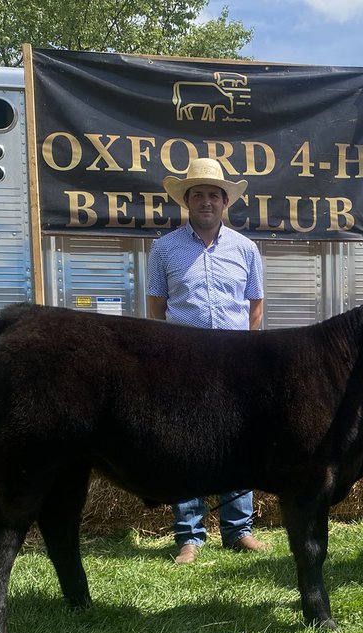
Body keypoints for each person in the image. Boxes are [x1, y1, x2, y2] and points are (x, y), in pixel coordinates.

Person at [146, 157, 269, 564]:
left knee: (240, 443)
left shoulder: (246, 249)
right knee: (186, 447)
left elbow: (255, 308)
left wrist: (249, 357)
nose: (206, 201)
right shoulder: (163, 249)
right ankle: (190, 536)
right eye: (197, 194)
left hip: (235, 363)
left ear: (224, 201)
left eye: (213, 195)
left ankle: (239, 530)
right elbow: (156, 310)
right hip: (185, 362)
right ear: (186, 200)